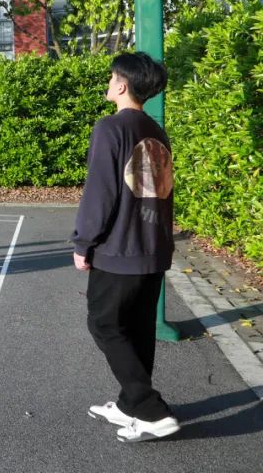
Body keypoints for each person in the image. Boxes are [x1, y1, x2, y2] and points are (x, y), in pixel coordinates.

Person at [73, 52, 179, 443]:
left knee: (103, 323)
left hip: (120, 250)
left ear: (122, 84)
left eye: (112, 77)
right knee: (138, 328)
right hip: (154, 248)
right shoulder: (156, 130)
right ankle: (129, 404)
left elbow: (100, 192)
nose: (109, 82)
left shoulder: (110, 128)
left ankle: (151, 410)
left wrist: (84, 242)